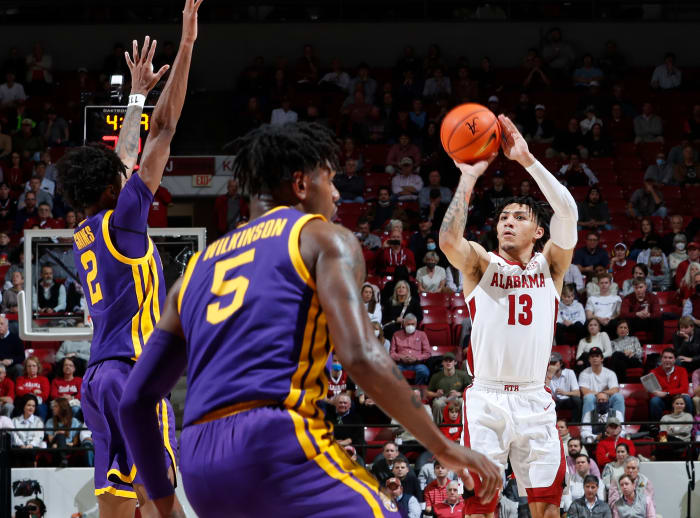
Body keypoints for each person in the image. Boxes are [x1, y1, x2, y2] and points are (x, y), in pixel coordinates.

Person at [117, 121, 500, 517]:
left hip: (200, 465)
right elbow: (361, 357)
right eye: (330, 180)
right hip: (274, 441)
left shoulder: (193, 272)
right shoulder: (320, 237)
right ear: (301, 184)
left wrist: (163, 505)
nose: (335, 194)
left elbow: (135, 401)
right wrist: (443, 446)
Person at [57, 6, 200, 513]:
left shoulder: (86, 231)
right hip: (133, 374)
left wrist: (135, 95)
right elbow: (164, 131)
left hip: (95, 381)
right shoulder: (125, 220)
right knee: (161, 500)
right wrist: (185, 48)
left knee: (113, 503)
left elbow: (123, 157)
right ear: (113, 188)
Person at [439, 114, 578, 518]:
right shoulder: (481, 265)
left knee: (547, 510)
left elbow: (567, 213)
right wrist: (467, 176)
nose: (508, 222)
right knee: (481, 507)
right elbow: (449, 240)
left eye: (519, 217)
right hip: (486, 400)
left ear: (538, 232)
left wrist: (528, 160)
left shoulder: (550, 265)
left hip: (536, 399)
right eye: (503, 218)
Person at [648, 348, 694, 422]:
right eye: (665, 357)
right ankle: (657, 427)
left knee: (686, 398)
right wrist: (662, 394)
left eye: (670, 358)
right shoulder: (653, 372)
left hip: (677, 399)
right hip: (662, 401)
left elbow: (684, 389)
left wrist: (666, 393)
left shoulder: (682, 371)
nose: (667, 360)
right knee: (654, 401)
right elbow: (653, 392)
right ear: (661, 359)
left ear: (675, 360)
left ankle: (689, 425)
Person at [579, 348, 625, 419]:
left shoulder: (610, 373)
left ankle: (619, 425)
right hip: (593, 399)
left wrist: (601, 394)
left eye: (597, 356)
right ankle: (587, 425)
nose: (594, 358)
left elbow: (615, 390)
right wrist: (601, 394)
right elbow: (584, 391)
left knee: (618, 397)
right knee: (588, 397)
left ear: (602, 359)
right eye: (592, 356)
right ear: (589, 359)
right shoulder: (584, 373)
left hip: (607, 399)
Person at [427, 352, 471, 424]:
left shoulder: (462, 375)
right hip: (443, 398)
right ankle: (438, 427)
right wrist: (436, 394)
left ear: (455, 362)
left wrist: (459, 393)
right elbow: (428, 392)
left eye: (450, 361)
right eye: (446, 361)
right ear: (442, 363)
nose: (448, 363)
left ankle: (462, 426)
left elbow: (470, 390)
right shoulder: (436, 376)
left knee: (462, 402)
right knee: (438, 403)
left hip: (457, 398)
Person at [390, 314, 432, 385]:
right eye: (408, 324)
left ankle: (418, 389)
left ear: (416, 324)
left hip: (417, 364)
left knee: (424, 371)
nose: (410, 326)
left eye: (412, 324)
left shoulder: (422, 335)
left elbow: (427, 353)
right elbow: (392, 353)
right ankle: (401, 390)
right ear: (404, 324)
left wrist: (416, 358)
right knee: (391, 372)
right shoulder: (396, 335)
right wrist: (400, 358)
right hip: (401, 364)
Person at [620, 279, 663, 343]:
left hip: (649, 321)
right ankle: (628, 345)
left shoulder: (652, 297)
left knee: (658, 320)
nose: (638, 290)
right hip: (634, 322)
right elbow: (623, 314)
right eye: (636, 288)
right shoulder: (627, 298)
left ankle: (658, 345)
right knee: (626, 321)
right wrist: (637, 314)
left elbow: (657, 313)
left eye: (641, 287)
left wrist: (649, 315)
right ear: (633, 288)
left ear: (645, 287)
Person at [46, 397, 81, 467]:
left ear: (62, 408)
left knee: (58, 446)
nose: (53, 408)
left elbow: (75, 442)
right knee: (60, 435)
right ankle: (63, 459)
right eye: (53, 406)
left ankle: (62, 460)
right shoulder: (50, 421)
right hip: (54, 445)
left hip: (68, 446)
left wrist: (61, 444)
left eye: (55, 406)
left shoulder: (74, 421)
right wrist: (57, 434)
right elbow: (50, 440)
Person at [548, 352, 582, 421]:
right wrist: (549, 376)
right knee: (548, 403)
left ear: (561, 363)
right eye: (550, 364)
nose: (552, 366)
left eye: (554, 363)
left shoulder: (569, 372)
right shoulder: (547, 375)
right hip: (555, 401)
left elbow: (577, 393)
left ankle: (575, 424)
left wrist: (565, 393)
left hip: (568, 399)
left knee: (577, 400)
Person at [15, 356, 50, 421]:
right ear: (26, 368)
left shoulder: (44, 379)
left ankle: (40, 429)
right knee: (19, 406)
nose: (31, 368)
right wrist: (33, 391)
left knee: (40, 409)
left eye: (34, 366)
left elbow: (45, 396)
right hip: (23, 403)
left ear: (38, 367)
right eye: (29, 366)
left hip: (39, 404)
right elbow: (19, 392)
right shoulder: (20, 379)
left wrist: (26, 391)